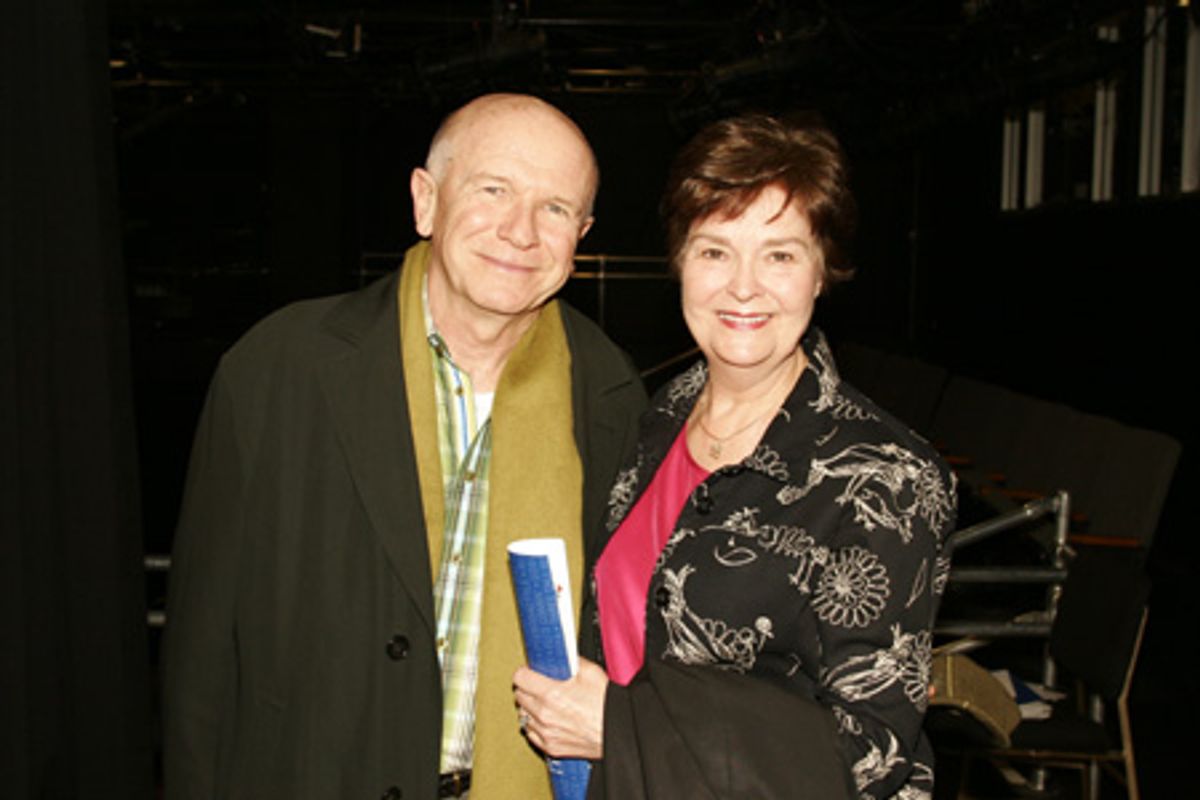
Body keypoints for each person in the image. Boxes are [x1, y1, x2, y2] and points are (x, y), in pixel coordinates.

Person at [161, 93, 646, 800]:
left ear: (582, 235)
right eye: (493, 190)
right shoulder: (280, 368)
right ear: (426, 201)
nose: (520, 231)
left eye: (554, 208)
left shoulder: (612, 400)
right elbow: (201, 657)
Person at [513, 112, 957, 799]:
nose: (743, 286)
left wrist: (622, 730)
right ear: (680, 264)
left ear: (821, 272)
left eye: (780, 255)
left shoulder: (888, 477)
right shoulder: (655, 420)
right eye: (715, 251)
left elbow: (870, 754)